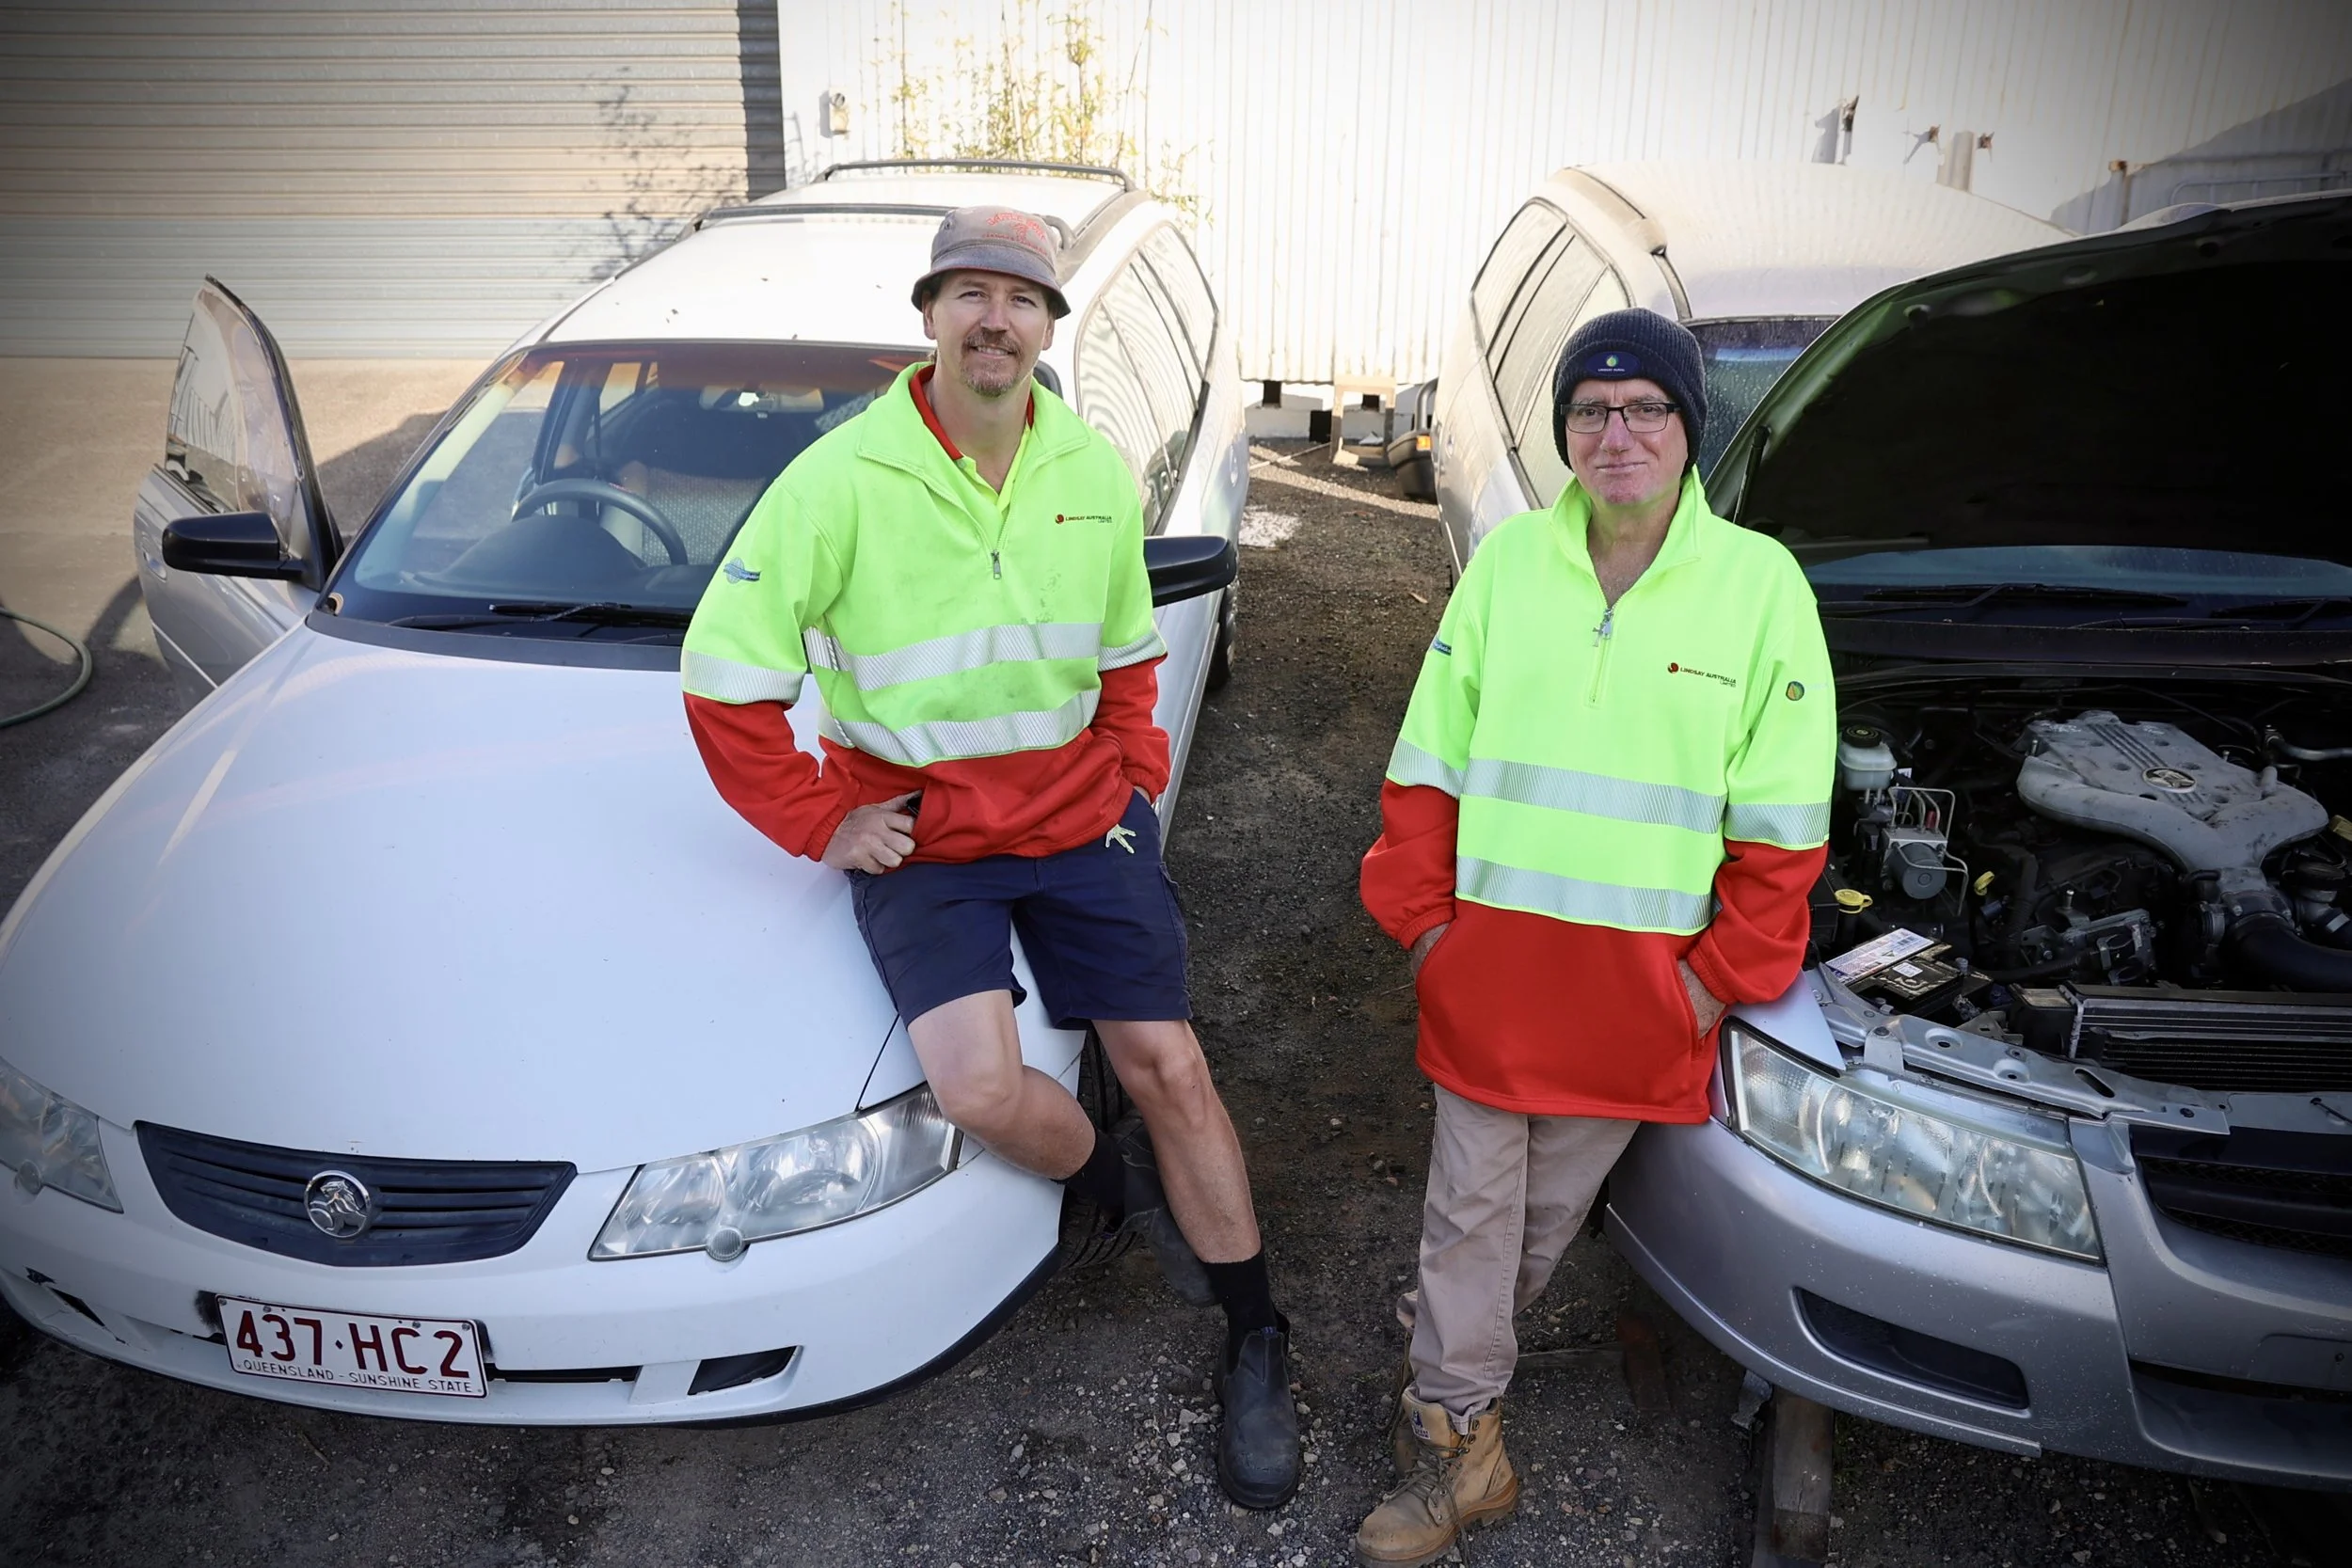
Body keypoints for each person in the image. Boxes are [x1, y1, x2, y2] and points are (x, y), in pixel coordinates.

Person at [679, 206, 1299, 1510]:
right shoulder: (841, 479)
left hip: (1082, 820)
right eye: (968, 293)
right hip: (927, 841)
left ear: (1048, 328)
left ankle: (1255, 1331)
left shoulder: (1090, 466)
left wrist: (1134, 776)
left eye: (1020, 299)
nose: (994, 320)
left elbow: (1130, 653)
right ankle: (1106, 1178)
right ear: (930, 318)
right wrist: (822, 818)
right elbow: (724, 679)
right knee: (974, 1087)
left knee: (1170, 1061)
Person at [1353, 309, 1833, 1564]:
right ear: (1564, 430)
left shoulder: (1762, 590)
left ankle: (1455, 1374)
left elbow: (1784, 830)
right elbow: (1425, 767)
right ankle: (1457, 1445)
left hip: (1637, 1007)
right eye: (1591, 410)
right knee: (1470, 1211)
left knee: (1531, 1230)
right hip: (1489, 987)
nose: (1617, 433)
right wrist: (1424, 935)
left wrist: (1713, 987)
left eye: (1646, 408)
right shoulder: (1510, 566)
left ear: (1688, 427)